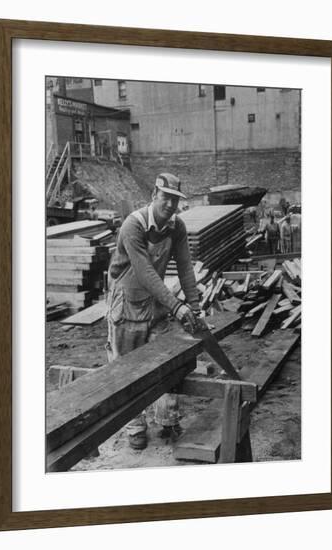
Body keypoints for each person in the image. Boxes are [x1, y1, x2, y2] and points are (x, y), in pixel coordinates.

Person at [106, 173, 203, 450]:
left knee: (167, 363)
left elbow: (185, 266)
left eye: (175, 200)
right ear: (154, 196)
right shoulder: (132, 226)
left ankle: (167, 420)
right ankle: (135, 428)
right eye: (166, 198)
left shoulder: (177, 227)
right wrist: (177, 306)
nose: (171, 205)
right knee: (127, 369)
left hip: (157, 304)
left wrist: (194, 308)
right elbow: (145, 272)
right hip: (127, 305)